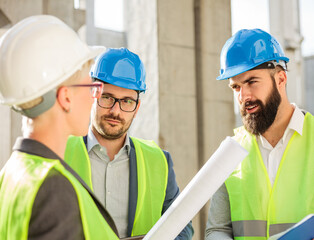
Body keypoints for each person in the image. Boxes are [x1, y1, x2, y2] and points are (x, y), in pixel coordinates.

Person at [205, 29, 314, 240]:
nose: (244, 96)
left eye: (252, 82)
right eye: (236, 87)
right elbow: (217, 229)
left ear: (280, 79)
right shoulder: (230, 152)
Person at [0, 15, 119, 239]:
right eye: (90, 85)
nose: (94, 97)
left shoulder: (9, 174)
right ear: (66, 98)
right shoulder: (53, 191)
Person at [65, 48, 194, 239]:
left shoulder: (159, 160)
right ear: (93, 95)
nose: (116, 111)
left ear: (137, 107)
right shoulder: (59, 152)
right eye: (107, 98)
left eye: (126, 101)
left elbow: (182, 228)